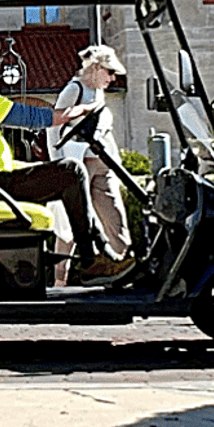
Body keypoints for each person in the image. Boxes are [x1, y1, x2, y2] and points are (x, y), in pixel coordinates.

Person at [0, 27, 133, 284]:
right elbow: (31, 117)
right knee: (72, 171)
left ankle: (95, 255)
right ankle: (90, 261)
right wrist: (80, 110)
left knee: (64, 173)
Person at [45, 44, 131, 285]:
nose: (112, 78)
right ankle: (60, 281)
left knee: (115, 219)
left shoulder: (98, 92)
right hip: (80, 165)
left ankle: (122, 268)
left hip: (102, 164)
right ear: (95, 68)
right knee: (72, 225)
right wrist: (59, 164)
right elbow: (54, 128)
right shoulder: (74, 89)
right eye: (109, 72)